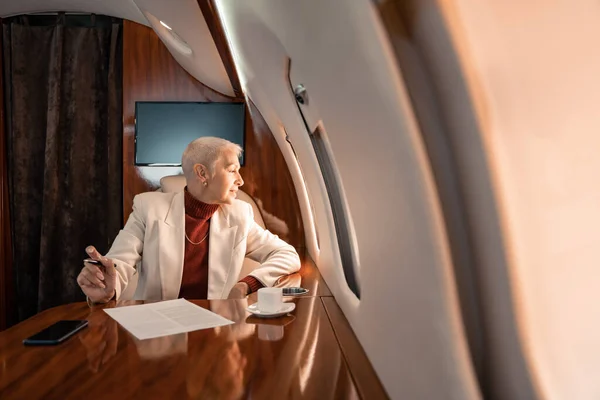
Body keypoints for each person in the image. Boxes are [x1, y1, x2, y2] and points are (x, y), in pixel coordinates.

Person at [77, 137, 301, 304]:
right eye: (232, 171)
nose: (241, 181)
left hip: (216, 329)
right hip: (161, 331)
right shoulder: (148, 208)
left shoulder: (240, 215)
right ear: (202, 173)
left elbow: (287, 255)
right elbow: (120, 262)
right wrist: (108, 286)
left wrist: (246, 285)